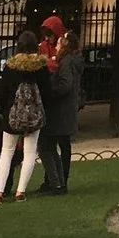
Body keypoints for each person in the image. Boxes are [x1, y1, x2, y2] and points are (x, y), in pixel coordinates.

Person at [0, 35, 49, 201]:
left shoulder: (10, 67)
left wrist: (5, 109)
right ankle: (20, 191)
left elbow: (2, 93)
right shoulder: (40, 67)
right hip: (33, 116)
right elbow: (47, 92)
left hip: (12, 115)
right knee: (30, 152)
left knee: (6, 152)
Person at [37, 22, 81, 195]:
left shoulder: (66, 61)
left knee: (52, 146)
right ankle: (56, 181)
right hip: (64, 110)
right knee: (57, 146)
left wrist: (51, 92)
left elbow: (66, 84)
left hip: (61, 109)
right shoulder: (69, 60)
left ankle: (58, 182)